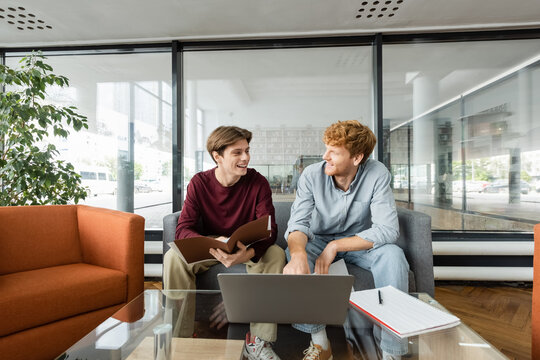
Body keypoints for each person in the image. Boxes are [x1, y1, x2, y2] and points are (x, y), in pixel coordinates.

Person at [283, 120, 409, 360]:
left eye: (334, 151)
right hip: (318, 240)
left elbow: (387, 229)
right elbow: (298, 224)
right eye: (326, 148)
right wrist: (299, 254)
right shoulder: (311, 175)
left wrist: (337, 245)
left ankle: (391, 352)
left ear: (357, 157)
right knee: (295, 253)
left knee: (393, 256)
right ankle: (321, 344)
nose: (325, 156)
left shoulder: (377, 173)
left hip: (359, 242)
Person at [163, 125, 286, 360]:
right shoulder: (199, 183)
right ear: (217, 156)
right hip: (211, 245)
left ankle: (259, 342)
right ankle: (181, 339)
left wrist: (246, 254)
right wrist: (214, 242)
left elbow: (270, 230)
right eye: (237, 152)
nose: (246, 157)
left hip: (246, 247)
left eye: (247, 151)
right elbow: (183, 229)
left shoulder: (258, 182)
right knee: (172, 258)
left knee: (276, 255)